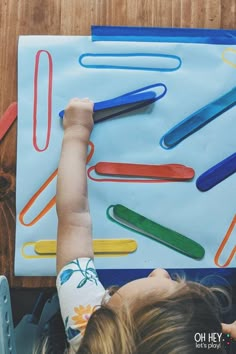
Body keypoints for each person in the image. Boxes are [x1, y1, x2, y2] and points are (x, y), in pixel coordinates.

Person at [55, 98, 236, 354]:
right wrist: (225, 333)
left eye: (156, 279)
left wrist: (75, 134)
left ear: (102, 321)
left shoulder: (84, 323)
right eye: (173, 280)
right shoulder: (100, 336)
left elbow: (73, 218)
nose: (160, 270)